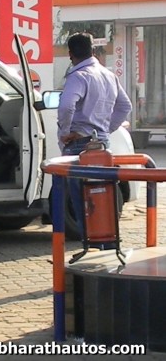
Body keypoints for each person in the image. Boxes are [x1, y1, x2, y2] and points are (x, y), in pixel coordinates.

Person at [57, 33, 132, 237]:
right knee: (102, 193)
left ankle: (88, 239)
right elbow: (125, 106)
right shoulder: (108, 75)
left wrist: (65, 133)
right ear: (93, 51)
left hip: (79, 144)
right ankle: (106, 239)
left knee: (81, 198)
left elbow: (66, 106)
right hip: (102, 145)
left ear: (70, 54)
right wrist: (106, 129)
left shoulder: (78, 76)